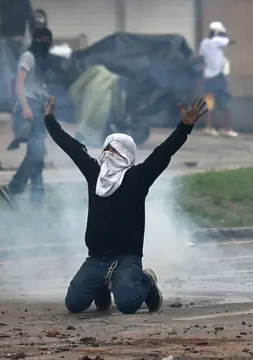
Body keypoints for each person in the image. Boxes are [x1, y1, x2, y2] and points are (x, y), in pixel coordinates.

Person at [42, 95, 208, 314]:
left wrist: (185, 126)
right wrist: (50, 120)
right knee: (74, 303)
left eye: (116, 150)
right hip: (97, 258)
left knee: (128, 305)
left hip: (127, 258)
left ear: (127, 155)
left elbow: (163, 152)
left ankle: (147, 282)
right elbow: (70, 147)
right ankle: (101, 287)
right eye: (107, 149)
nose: (109, 155)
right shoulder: (94, 174)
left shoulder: (138, 177)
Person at [0, 26, 53, 209]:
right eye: (44, 40)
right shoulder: (28, 57)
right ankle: (13, 189)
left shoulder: (42, 61)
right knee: (37, 153)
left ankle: (37, 204)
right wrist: (25, 107)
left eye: (49, 40)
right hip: (29, 108)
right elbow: (19, 84)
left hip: (38, 110)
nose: (46, 44)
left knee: (37, 158)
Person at [199, 21, 238, 138]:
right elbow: (231, 42)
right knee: (225, 102)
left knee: (210, 102)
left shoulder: (204, 43)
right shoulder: (217, 41)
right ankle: (227, 129)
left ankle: (209, 127)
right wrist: (225, 37)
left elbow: (201, 57)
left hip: (207, 76)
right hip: (218, 77)